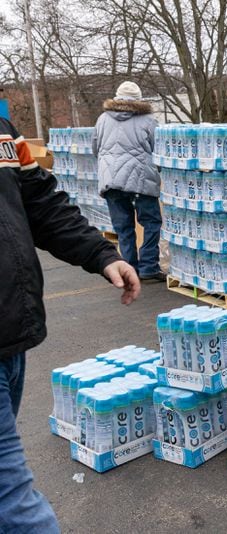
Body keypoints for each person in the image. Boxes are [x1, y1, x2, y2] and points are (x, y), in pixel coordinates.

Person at [1, 117, 140, 532]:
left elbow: (40, 205)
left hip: (11, 334)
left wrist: (103, 255)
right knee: (15, 505)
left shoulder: (3, 130)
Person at [93, 81, 165, 282]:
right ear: (139, 99)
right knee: (151, 222)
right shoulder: (149, 120)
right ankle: (149, 267)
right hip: (141, 179)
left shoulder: (102, 119)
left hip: (111, 181)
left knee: (123, 227)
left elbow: (95, 148)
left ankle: (129, 269)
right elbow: (158, 150)